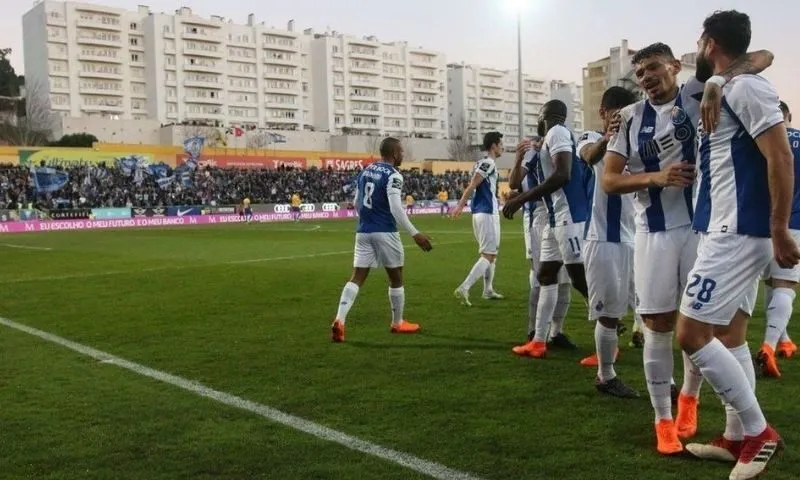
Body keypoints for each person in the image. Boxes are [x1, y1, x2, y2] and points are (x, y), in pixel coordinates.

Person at [602, 39, 773, 455]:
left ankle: (691, 401)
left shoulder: (700, 91)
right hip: (654, 232)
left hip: (708, 229)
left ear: (675, 66)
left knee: (708, 326)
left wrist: (716, 80)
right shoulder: (628, 117)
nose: (646, 78)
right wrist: (654, 177)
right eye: (639, 73)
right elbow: (609, 180)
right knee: (659, 324)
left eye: (653, 68)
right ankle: (663, 419)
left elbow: (762, 56)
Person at [680, 12, 798, 479]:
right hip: (723, 227)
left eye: (699, 40)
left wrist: (779, 226)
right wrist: (719, 81)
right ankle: (733, 437)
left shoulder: (747, 87)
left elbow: (781, 154)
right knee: (730, 336)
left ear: (710, 43)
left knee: (691, 336)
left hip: (737, 231)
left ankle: (758, 432)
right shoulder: (728, 83)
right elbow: (761, 56)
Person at [503, 100, 589, 357]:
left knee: (578, 278)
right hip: (554, 220)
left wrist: (521, 198)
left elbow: (563, 174)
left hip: (569, 217)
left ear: (545, 115)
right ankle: (539, 340)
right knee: (546, 276)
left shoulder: (558, 132)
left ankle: (609, 324)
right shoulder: (547, 140)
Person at [330, 137, 433, 342]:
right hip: (385, 231)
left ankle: (340, 320)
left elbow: (356, 201)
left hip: (363, 231)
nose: (403, 155)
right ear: (394, 153)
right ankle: (397, 322)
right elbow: (395, 208)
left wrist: (367, 219)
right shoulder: (394, 175)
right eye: (401, 152)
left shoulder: (366, 171)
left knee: (357, 276)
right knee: (396, 277)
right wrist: (415, 233)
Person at [576, 86, 640, 398]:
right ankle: (605, 375)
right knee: (609, 313)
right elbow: (590, 157)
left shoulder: (636, 142)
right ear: (604, 113)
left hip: (636, 237)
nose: (624, 120)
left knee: (648, 308)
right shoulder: (589, 138)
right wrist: (607, 137)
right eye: (619, 114)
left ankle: (664, 380)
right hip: (603, 238)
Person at [507, 136, 574, 356]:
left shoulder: (564, 152)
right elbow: (514, 184)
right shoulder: (534, 154)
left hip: (564, 216)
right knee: (540, 277)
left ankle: (556, 331)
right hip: (539, 219)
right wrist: (518, 159)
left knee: (565, 279)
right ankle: (534, 331)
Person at [757, 100, 800, 377]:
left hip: (759, 224)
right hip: (794, 223)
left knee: (770, 283)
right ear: (789, 116)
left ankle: (783, 341)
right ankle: (769, 346)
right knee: (785, 285)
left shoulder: (757, 140)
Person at [452, 131, 505, 305]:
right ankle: (464, 288)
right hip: (486, 212)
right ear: (493, 146)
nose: (502, 147)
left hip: (486, 212)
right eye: (500, 144)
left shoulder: (481, 162)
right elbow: (473, 184)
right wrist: (460, 205)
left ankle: (488, 290)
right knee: (487, 254)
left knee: (492, 254)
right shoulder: (488, 162)